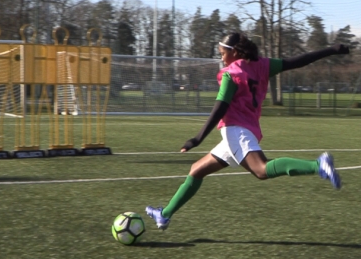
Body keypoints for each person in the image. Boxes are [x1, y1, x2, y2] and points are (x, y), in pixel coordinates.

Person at [145, 33, 350, 231]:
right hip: (246, 129)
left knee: (261, 170)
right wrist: (330, 50)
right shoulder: (262, 65)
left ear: (234, 52)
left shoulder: (231, 73)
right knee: (197, 170)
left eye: (222, 53)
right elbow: (296, 61)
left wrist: (197, 138)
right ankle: (165, 214)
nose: (221, 58)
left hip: (236, 130)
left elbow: (220, 107)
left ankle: (318, 165)